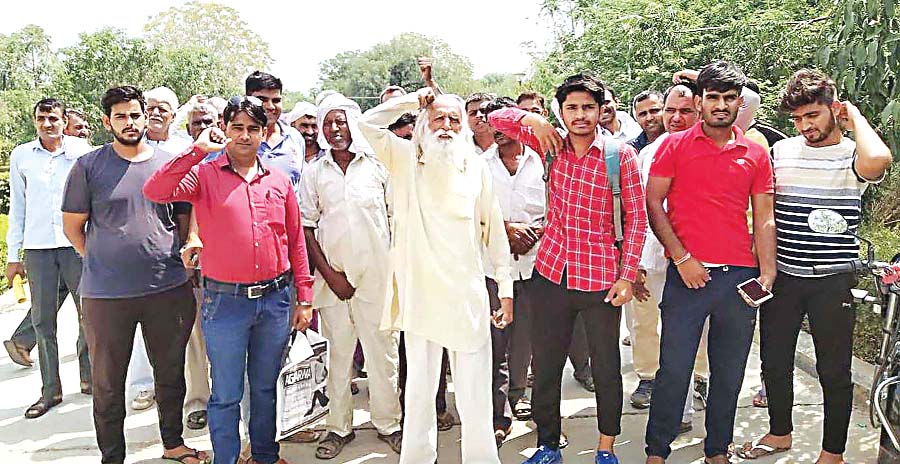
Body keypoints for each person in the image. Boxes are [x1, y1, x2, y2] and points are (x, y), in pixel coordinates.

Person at [143, 95, 314, 464]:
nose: (244, 136)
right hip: (226, 303)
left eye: (253, 129)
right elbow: (155, 190)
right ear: (224, 129)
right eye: (237, 127)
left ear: (264, 133)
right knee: (226, 393)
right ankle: (227, 458)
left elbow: (295, 240)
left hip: (275, 301)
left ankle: (265, 455)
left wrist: (304, 297)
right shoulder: (205, 175)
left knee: (266, 388)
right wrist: (195, 150)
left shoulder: (279, 181)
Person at [489, 73, 647, 464]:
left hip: (600, 278)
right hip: (551, 273)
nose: (580, 115)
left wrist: (627, 276)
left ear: (601, 109)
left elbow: (637, 218)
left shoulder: (618, 154)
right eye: (572, 107)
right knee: (547, 367)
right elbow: (495, 119)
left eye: (588, 107)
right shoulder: (549, 146)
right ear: (561, 110)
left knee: (606, 367)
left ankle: (606, 446)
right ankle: (547, 444)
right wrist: (533, 121)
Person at [737, 69, 893, 463]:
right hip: (784, 278)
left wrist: (853, 115)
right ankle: (779, 433)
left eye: (813, 116)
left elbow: (879, 158)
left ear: (832, 110)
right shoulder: (783, 151)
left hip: (832, 281)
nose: (805, 126)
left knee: (834, 371)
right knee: (773, 361)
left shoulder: (852, 156)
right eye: (798, 119)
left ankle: (832, 452)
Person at [359, 87, 513, 464]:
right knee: (420, 392)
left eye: (453, 119)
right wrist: (415, 100)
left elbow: (493, 231)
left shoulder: (476, 167)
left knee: (475, 390)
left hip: (467, 296)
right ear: (424, 123)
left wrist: (505, 290)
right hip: (421, 296)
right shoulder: (404, 159)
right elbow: (366, 123)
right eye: (438, 118)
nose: (446, 125)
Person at [62, 85, 206, 464]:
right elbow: (73, 227)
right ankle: (113, 456)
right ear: (107, 122)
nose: (130, 122)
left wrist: (186, 244)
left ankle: (173, 444)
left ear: (147, 117)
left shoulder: (168, 163)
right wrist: (104, 260)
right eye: (121, 116)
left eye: (135, 114)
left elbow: (185, 213)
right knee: (108, 384)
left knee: (171, 373)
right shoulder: (89, 166)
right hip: (106, 295)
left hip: (168, 287)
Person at [643, 61, 776, 464]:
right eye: (713, 97)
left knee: (729, 372)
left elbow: (765, 214)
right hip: (687, 276)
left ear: (740, 103)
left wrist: (767, 272)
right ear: (699, 101)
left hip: (739, 278)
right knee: (674, 370)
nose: (721, 105)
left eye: (729, 98)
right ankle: (657, 451)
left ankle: (718, 449)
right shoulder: (674, 145)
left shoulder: (755, 152)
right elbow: (653, 202)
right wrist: (682, 258)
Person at [300, 93, 402, 459]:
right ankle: (337, 427)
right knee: (338, 357)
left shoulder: (377, 166)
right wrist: (330, 275)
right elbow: (307, 228)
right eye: (328, 123)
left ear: (354, 125)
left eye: (340, 122)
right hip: (334, 282)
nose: (334, 129)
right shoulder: (314, 172)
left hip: (378, 277)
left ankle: (389, 424)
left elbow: (395, 222)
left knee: (383, 356)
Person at [4, 98, 93, 419]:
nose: (47, 124)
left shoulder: (82, 152)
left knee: (90, 316)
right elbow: (19, 207)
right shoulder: (22, 156)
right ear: (34, 120)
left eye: (53, 118)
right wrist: (13, 254)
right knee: (43, 322)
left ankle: (90, 379)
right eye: (41, 118)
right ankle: (50, 390)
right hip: (39, 247)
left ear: (64, 120)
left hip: (77, 245)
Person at [628, 83, 709, 434]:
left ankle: (690, 393)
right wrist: (633, 263)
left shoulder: (715, 148)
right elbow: (638, 211)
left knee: (688, 333)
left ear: (701, 111)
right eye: (670, 111)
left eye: (686, 110)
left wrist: (696, 80)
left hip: (697, 260)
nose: (676, 118)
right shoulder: (645, 154)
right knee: (647, 323)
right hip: (652, 258)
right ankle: (650, 379)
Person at [482, 97, 546, 443]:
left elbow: (559, 207)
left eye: (504, 125)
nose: (497, 133)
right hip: (494, 268)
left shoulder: (543, 161)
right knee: (497, 342)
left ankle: (534, 407)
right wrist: (505, 229)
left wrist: (532, 235)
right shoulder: (478, 165)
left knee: (536, 341)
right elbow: (470, 213)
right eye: (491, 127)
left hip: (538, 263)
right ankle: (498, 417)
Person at [127, 85, 194, 412]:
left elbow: (190, 203)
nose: (155, 113)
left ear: (173, 115)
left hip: (173, 246)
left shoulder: (185, 150)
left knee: (174, 323)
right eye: (149, 107)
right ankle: (142, 385)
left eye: (163, 108)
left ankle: (177, 384)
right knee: (139, 320)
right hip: (137, 250)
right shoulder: (127, 148)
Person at [246, 71, 305, 193]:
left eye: (276, 100)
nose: (271, 106)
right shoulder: (235, 139)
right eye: (262, 99)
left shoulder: (294, 138)